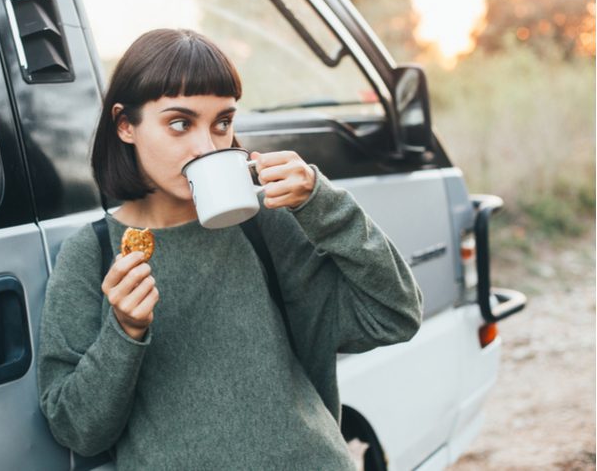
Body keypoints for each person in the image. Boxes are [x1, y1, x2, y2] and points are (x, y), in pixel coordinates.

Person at [37, 28, 422, 470]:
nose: (207, 146)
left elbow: (396, 316)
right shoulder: (93, 254)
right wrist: (124, 331)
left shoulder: (266, 223)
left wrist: (323, 202)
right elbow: (77, 430)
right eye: (179, 123)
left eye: (222, 123)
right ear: (125, 124)